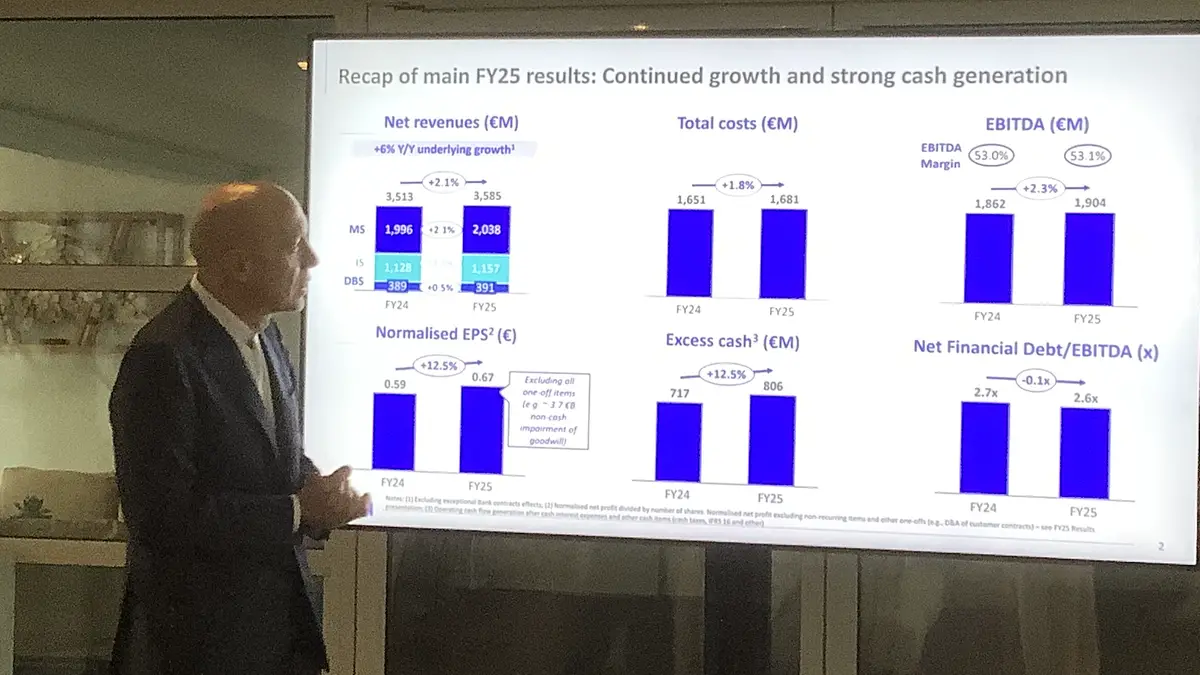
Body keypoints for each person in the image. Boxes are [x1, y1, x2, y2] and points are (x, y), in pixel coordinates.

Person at [108, 181, 370, 674]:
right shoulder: (163, 357)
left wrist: (321, 494)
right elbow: (163, 517)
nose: (312, 259)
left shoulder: (266, 336)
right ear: (240, 266)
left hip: (276, 639)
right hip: (197, 648)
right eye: (294, 245)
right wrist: (297, 510)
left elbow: (274, 457)